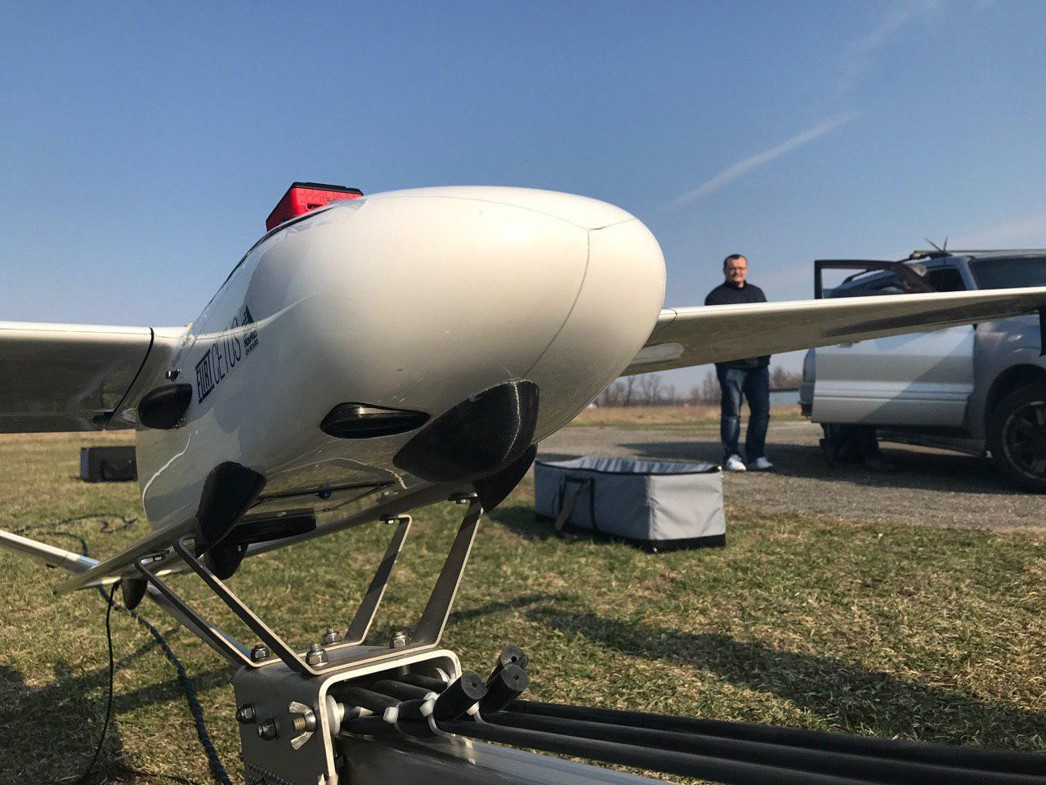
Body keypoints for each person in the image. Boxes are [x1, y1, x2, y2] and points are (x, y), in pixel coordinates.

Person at [704, 254, 772, 471]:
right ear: (725, 271)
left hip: (758, 364)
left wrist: (766, 354)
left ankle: (757, 456)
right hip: (731, 365)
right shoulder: (715, 298)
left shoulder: (757, 294)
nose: (737, 271)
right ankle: (732, 455)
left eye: (741, 268)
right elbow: (712, 332)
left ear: (747, 270)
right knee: (732, 412)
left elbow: (767, 325)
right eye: (733, 268)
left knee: (761, 412)